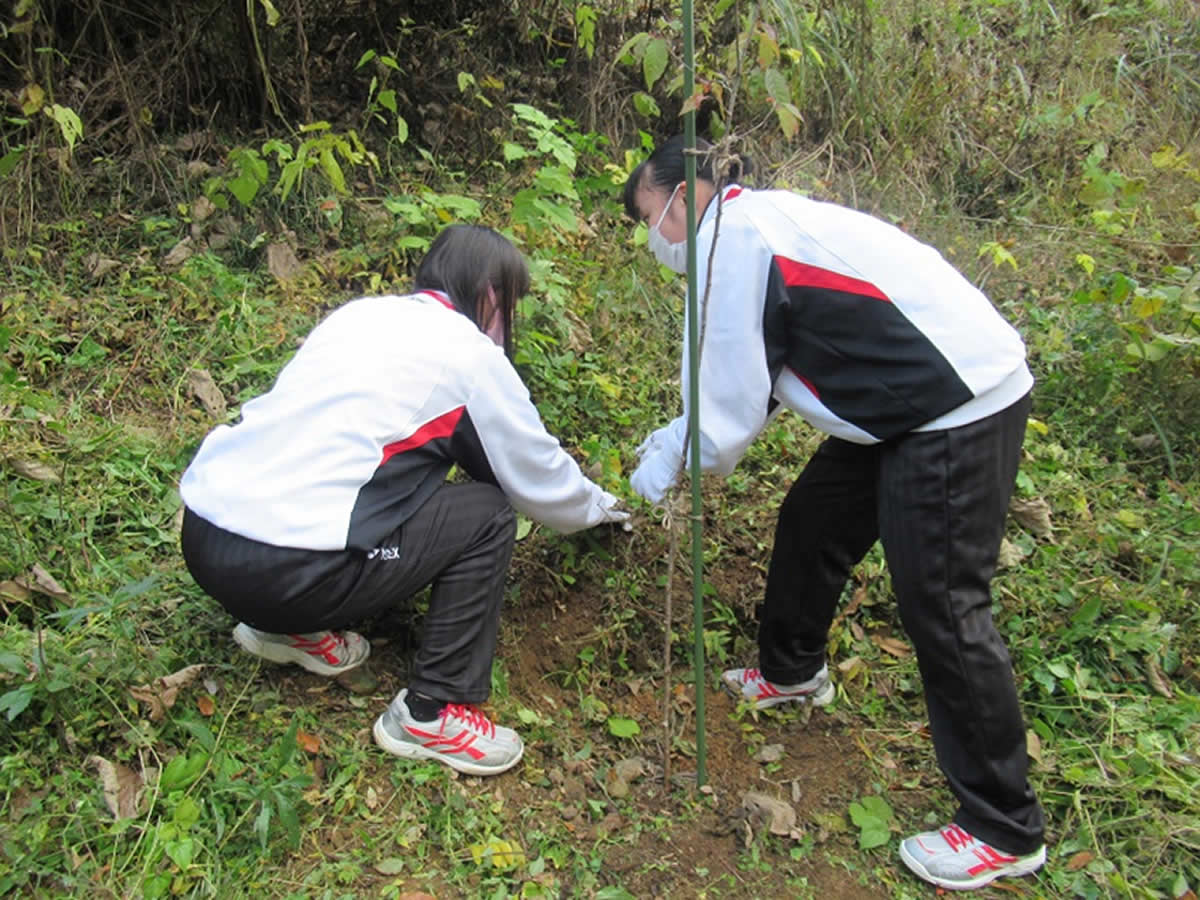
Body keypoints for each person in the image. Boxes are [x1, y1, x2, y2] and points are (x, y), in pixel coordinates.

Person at [622, 136, 1046, 891]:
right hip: (896, 400)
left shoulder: (733, 242)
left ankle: (1003, 826)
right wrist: (677, 434)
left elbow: (726, 410)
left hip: (954, 403)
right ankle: (792, 671)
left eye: (652, 219)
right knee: (814, 522)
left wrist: (673, 459)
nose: (654, 241)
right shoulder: (753, 226)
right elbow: (754, 363)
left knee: (942, 603)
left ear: (682, 198)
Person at [179, 224, 628, 777]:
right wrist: (605, 511)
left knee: (381, 484)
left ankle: (280, 628)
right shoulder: (470, 356)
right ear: (491, 295)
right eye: (511, 308)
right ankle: (432, 710)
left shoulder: (359, 316)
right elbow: (540, 481)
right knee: (487, 513)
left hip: (204, 537)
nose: (508, 325)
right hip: (289, 570)